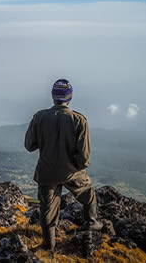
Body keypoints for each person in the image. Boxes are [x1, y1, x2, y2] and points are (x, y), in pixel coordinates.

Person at [24, 79, 103, 252]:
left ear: (53, 96)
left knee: (47, 209)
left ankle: (48, 244)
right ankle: (92, 222)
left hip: (46, 171)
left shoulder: (39, 117)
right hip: (71, 171)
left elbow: (29, 145)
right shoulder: (79, 120)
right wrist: (76, 166)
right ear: (70, 97)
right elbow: (84, 157)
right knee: (88, 194)